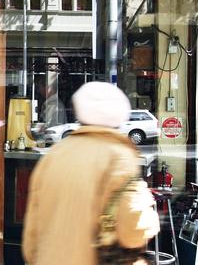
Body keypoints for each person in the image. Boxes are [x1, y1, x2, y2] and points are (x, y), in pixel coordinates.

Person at [22, 81, 159, 265]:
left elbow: (31, 236)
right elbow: (133, 231)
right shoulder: (119, 157)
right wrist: (150, 219)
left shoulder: (55, 154)